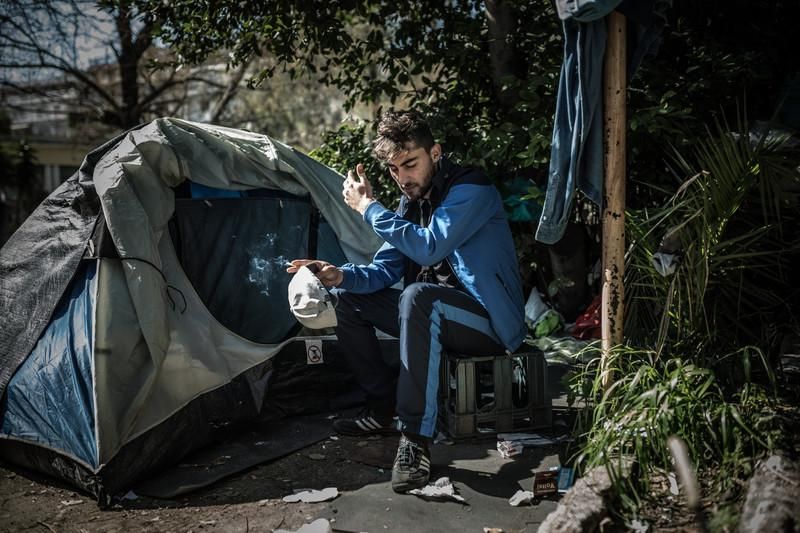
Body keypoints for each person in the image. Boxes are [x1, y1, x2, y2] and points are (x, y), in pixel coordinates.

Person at [287, 110, 526, 493]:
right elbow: (383, 271)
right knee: (349, 299)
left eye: (410, 164)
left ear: (435, 152)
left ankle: (415, 440)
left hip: (487, 323)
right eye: (395, 170)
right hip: (431, 315)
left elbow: (429, 248)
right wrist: (338, 274)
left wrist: (368, 208)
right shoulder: (409, 205)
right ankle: (382, 410)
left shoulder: (471, 189)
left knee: (418, 297)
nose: (403, 178)